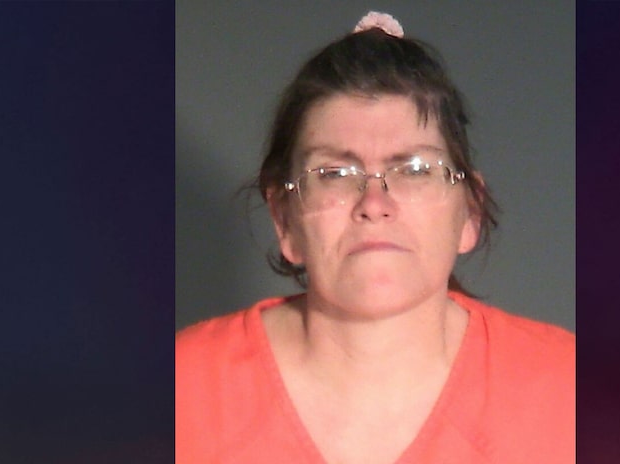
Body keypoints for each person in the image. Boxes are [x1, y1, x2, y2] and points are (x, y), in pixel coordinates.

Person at [176, 11, 574, 464]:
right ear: (284, 218)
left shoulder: (569, 392)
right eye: (333, 173)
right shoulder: (181, 392)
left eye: (415, 170)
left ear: (470, 211)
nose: (374, 203)